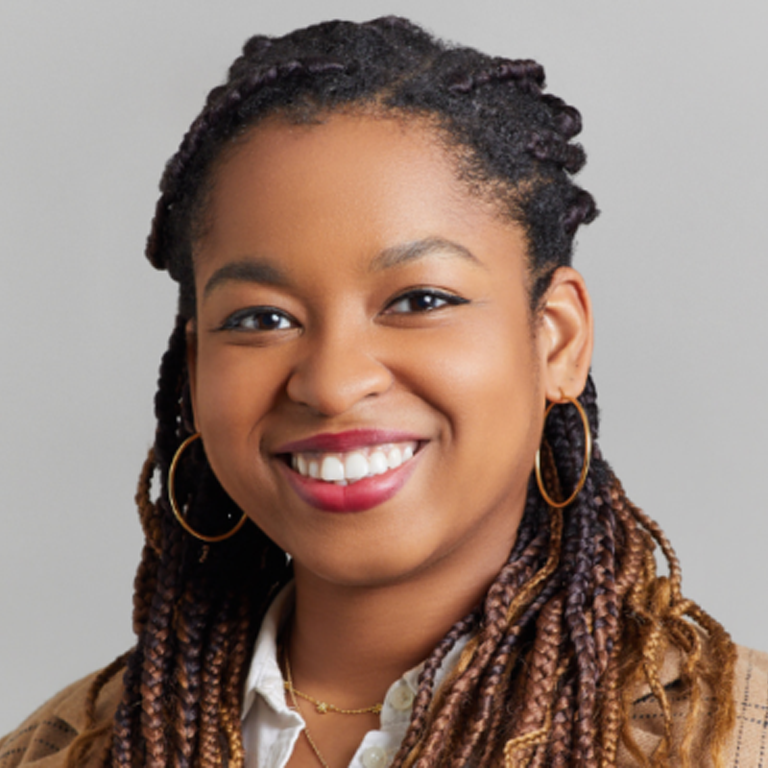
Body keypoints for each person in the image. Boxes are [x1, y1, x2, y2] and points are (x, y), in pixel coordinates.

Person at [1, 15, 765, 768]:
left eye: (420, 301)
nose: (332, 384)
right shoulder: (64, 751)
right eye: (261, 318)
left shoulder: (731, 740)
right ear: (197, 366)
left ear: (556, 339)